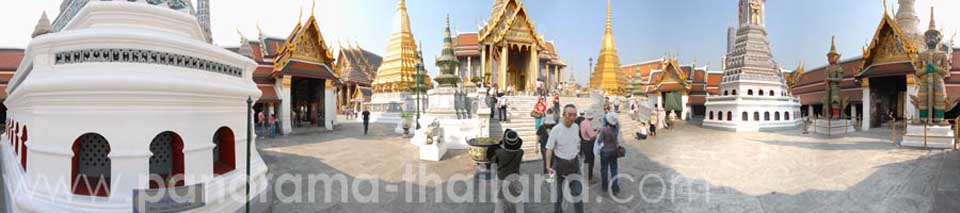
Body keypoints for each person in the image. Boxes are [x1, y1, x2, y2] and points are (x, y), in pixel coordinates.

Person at [545, 104, 584, 213]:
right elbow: (549, 149)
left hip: (574, 164)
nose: (572, 118)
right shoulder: (556, 130)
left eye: (574, 115)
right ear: (563, 115)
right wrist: (548, 166)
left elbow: (575, 142)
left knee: (577, 192)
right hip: (560, 165)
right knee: (559, 195)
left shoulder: (576, 127)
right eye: (570, 115)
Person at [493, 129, 524, 212]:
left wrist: (500, 143)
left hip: (502, 178)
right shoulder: (520, 152)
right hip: (515, 177)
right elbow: (520, 142)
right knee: (518, 198)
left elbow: (493, 159)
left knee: (500, 200)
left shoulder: (499, 152)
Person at [598, 113, 623, 194]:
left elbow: (599, 141)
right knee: (614, 169)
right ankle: (615, 187)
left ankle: (604, 186)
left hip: (605, 151)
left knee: (604, 169)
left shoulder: (604, 130)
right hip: (614, 151)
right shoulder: (617, 128)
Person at [578, 112, 599, 184]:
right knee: (590, 160)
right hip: (588, 143)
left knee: (587, 160)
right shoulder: (587, 124)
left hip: (584, 142)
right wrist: (597, 131)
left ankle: (586, 174)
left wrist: (593, 129)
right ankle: (589, 177)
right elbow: (592, 135)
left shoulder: (583, 122)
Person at [538, 109, 557, 174]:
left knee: (552, 160)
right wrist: (536, 147)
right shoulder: (541, 127)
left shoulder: (554, 127)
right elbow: (538, 136)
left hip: (552, 147)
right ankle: (546, 173)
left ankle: (551, 173)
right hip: (544, 146)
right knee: (546, 160)